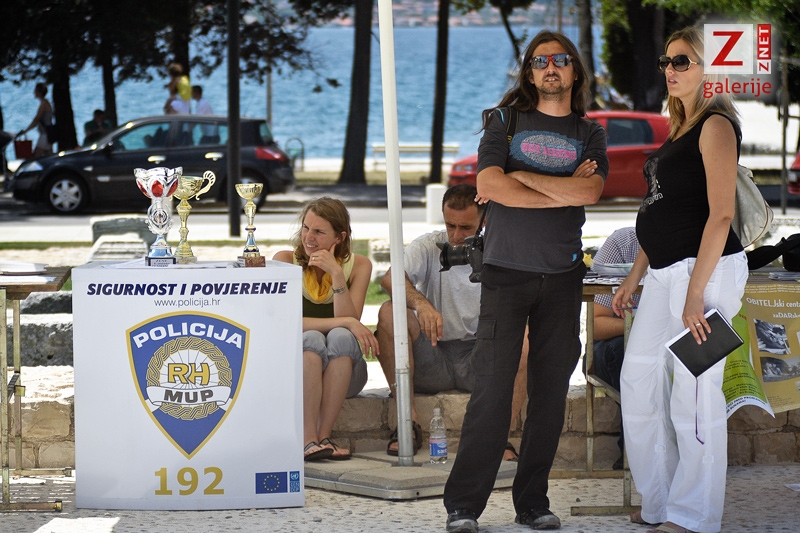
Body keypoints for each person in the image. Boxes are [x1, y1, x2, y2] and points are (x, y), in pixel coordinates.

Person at [443, 30, 608, 532]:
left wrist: (521, 178)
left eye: (560, 60)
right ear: (530, 74)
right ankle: (464, 506)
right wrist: (561, 188)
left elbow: (592, 192)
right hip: (506, 274)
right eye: (539, 62)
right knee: (492, 393)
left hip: (562, 277)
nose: (550, 68)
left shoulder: (591, 132)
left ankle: (532, 502)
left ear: (575, 70)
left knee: (550, 397)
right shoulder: (504, 121)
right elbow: (488, 184)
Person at [611, 27, 748, 533]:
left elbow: (721, 214)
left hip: (706, 274)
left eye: (682, 61)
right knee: (637, 377)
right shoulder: (681, 129)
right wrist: (634, 275)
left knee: (694, 393)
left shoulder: (716, 125)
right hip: (665, 274)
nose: (669, 69)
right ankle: (659, 502)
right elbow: (664, 210)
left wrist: (695, 294)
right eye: (666, 61)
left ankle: (694, 516)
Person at [375, 184, 528, 462]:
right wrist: (422, 305)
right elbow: (389, 279)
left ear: (484, 221)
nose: (456, 236)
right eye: (450, 225)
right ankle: (407, 423)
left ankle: (498, 436)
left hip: (480, 357)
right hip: (433, 354)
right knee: (389, 312)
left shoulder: (501, 248)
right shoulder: (429, 245)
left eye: (465, 228)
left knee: (526, 335)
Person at [273, 197, 378, 462]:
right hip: (299, 373)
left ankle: (324, 437)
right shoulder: (285, 261)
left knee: (341, 336)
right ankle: (309, 439)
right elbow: (287, 322)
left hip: (345, 375)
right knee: (311, 338)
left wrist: (337, 275)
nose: (309, 238)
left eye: (319, 232)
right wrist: (348, 322)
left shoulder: (360, 265)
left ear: (340, 237)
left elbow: (348, 321)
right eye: (306, 228)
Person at [588, 226, 639, 470]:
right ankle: (634, 450)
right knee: (625, 350)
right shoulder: (624, 243)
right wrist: (643, 326)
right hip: (616, 347)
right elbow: (596, 325)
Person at [18, 82, 54, 157]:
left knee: (36, 156)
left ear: (39, 92)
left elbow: (36, 119)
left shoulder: (44, 104)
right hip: (48, 135)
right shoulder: (46, 102)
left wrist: (26, 130)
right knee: (48, 157)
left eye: (35, 90)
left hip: (45, 135)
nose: (34, 92)